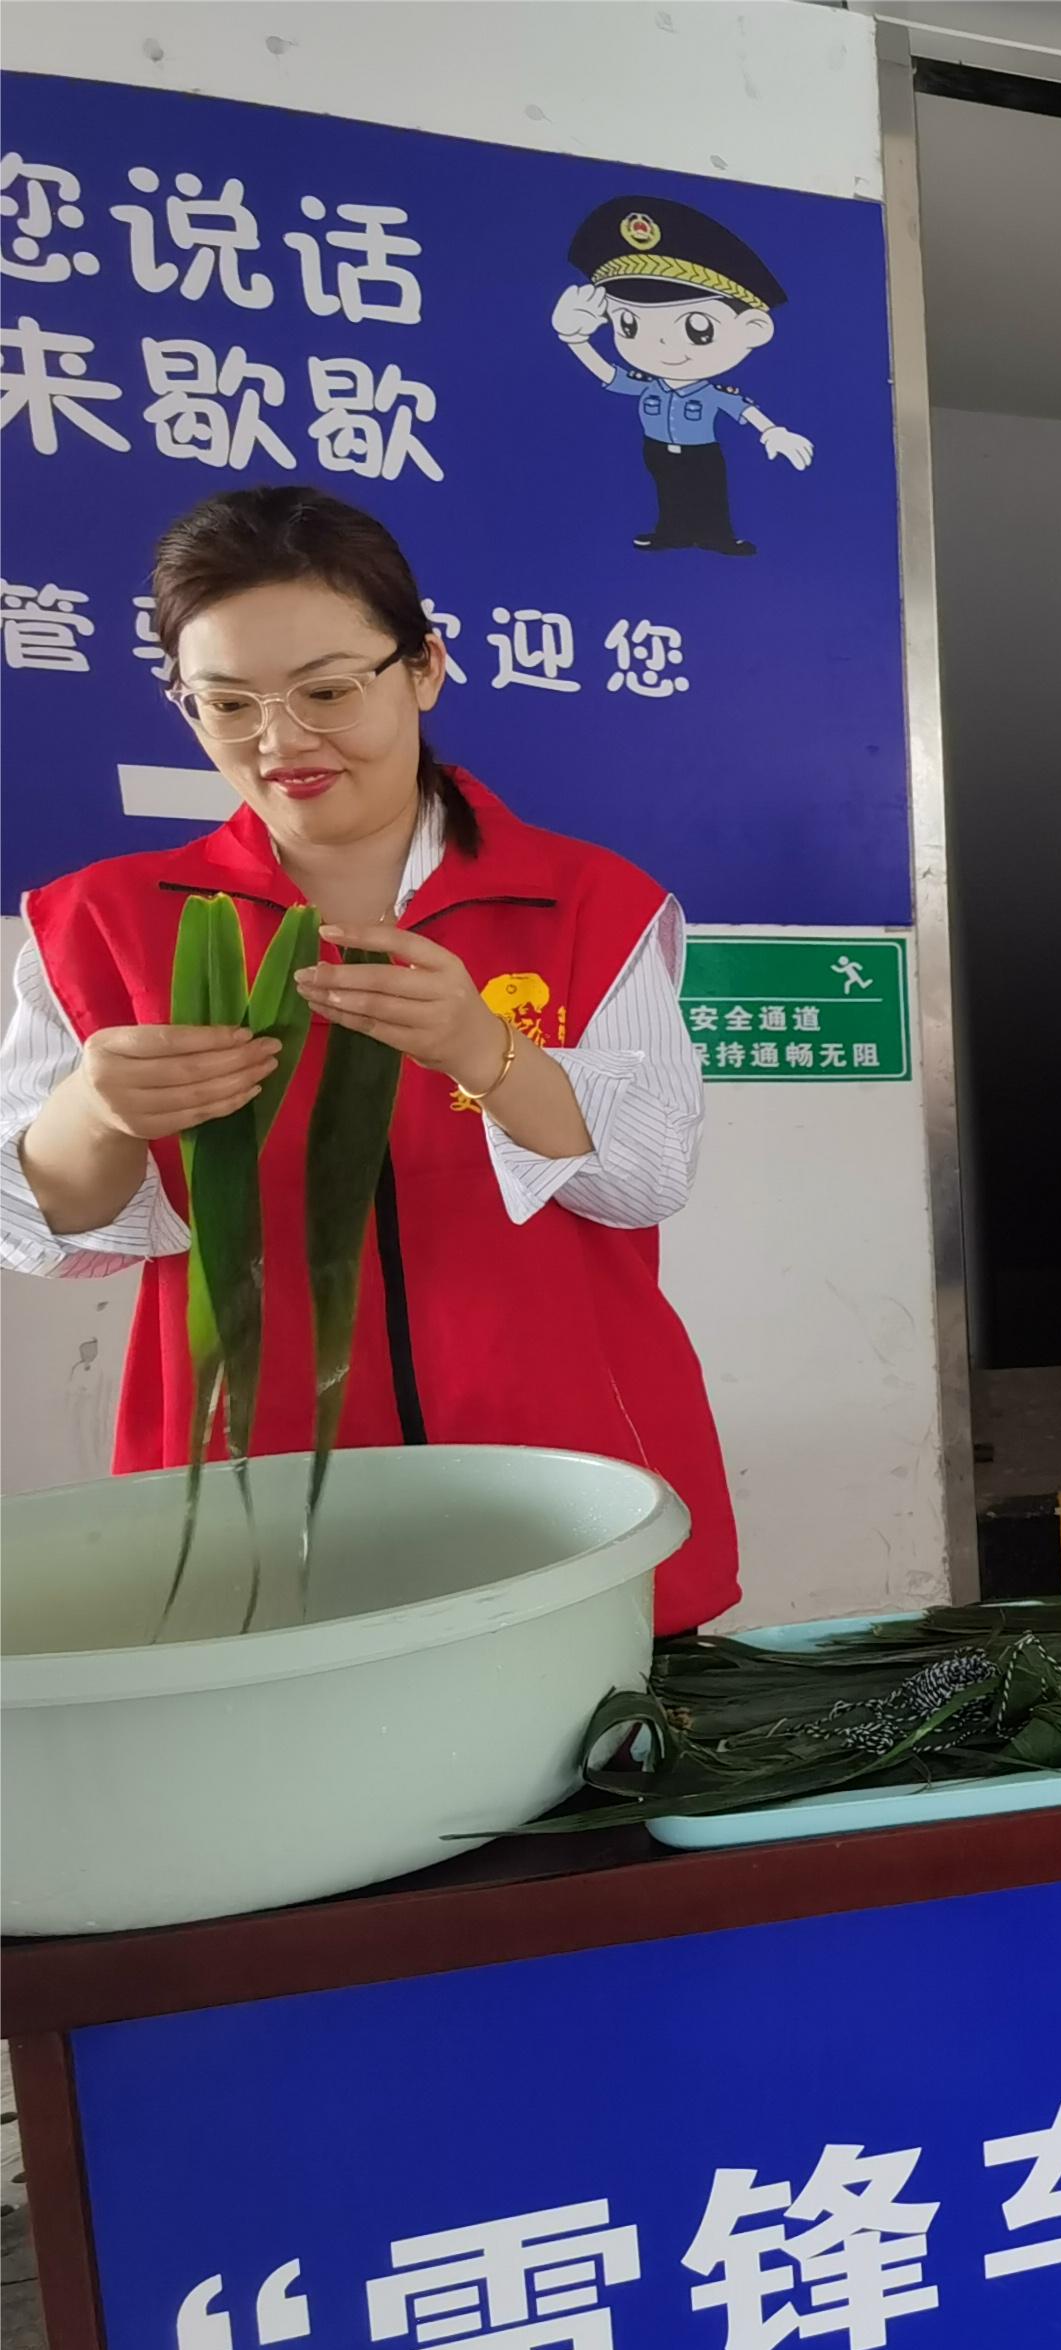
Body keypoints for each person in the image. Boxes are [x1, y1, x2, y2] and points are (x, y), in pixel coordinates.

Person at [0, 485, 738, 1631]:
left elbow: (645, 1177)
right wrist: (96, 1111)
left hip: (562, 1458)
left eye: (328, 690)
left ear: (424, 669)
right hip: (250, 1472)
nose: (281, 741)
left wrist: (485, 1050)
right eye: (226, 703)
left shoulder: (590, 902)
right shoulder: (99, 923)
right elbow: (54, 1238)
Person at [552, 196, 815, 556]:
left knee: (709, 493)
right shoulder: (648, 385)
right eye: (628, 324)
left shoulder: (711, 393)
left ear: (753, 328)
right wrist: (574, 338)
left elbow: (741, 409)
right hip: (656, 448)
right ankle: (671, 532)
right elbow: (608, 374)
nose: (658, 344)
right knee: (668, 492)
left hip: (701, 453)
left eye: (697, 329)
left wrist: (772, 432)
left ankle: (718, 536)